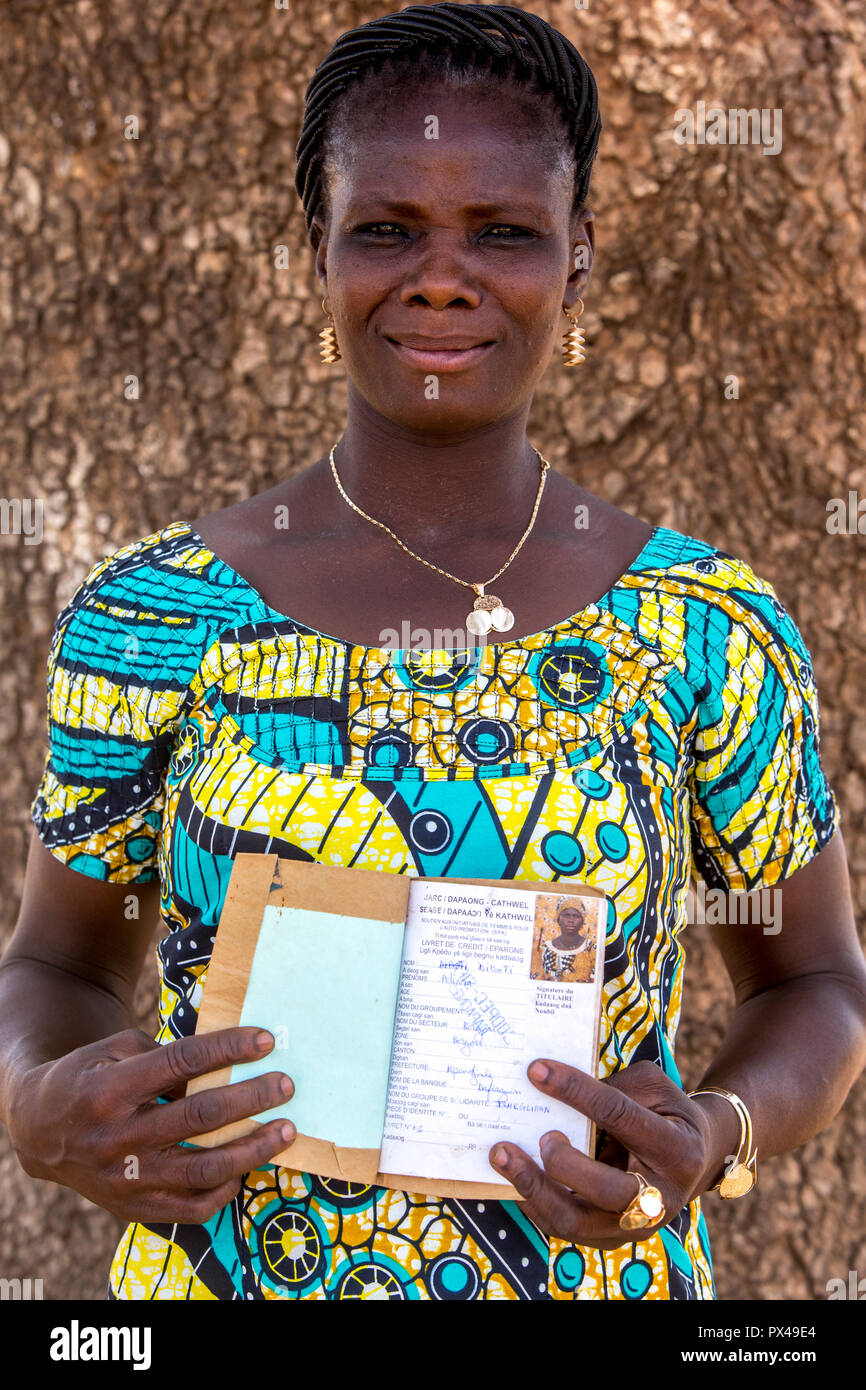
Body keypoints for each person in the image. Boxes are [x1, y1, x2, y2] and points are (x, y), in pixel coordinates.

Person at [2, 2, 865, 1302]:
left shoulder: (708, 631)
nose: (441, 277)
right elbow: (56, 963)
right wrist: (39, 1106)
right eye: (386, 229)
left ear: (576, 256)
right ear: (318, 251)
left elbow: (816, 985)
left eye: (505, 232)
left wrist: (714, 1134)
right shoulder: (154, 618)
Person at [537, 900, 594, 983]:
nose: (571, 920)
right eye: (566, 915)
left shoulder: (590, 948)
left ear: (582, 921)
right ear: (558, 919)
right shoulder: (544, 948)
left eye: (576, 916)